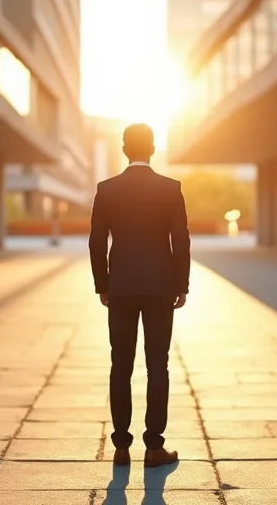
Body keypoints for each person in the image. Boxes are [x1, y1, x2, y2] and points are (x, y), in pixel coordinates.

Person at [89, 123, 190, 468]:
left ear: (123, 148)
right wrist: (182, 285)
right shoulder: (170, 189)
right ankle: (153, 447)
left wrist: (102, 284)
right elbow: (182, 241)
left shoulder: (107, 190)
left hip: (120, 287)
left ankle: (120, 446)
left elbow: (96, 241)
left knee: (121, 365)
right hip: (161, 286)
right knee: (156, 366)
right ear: (153, 148)